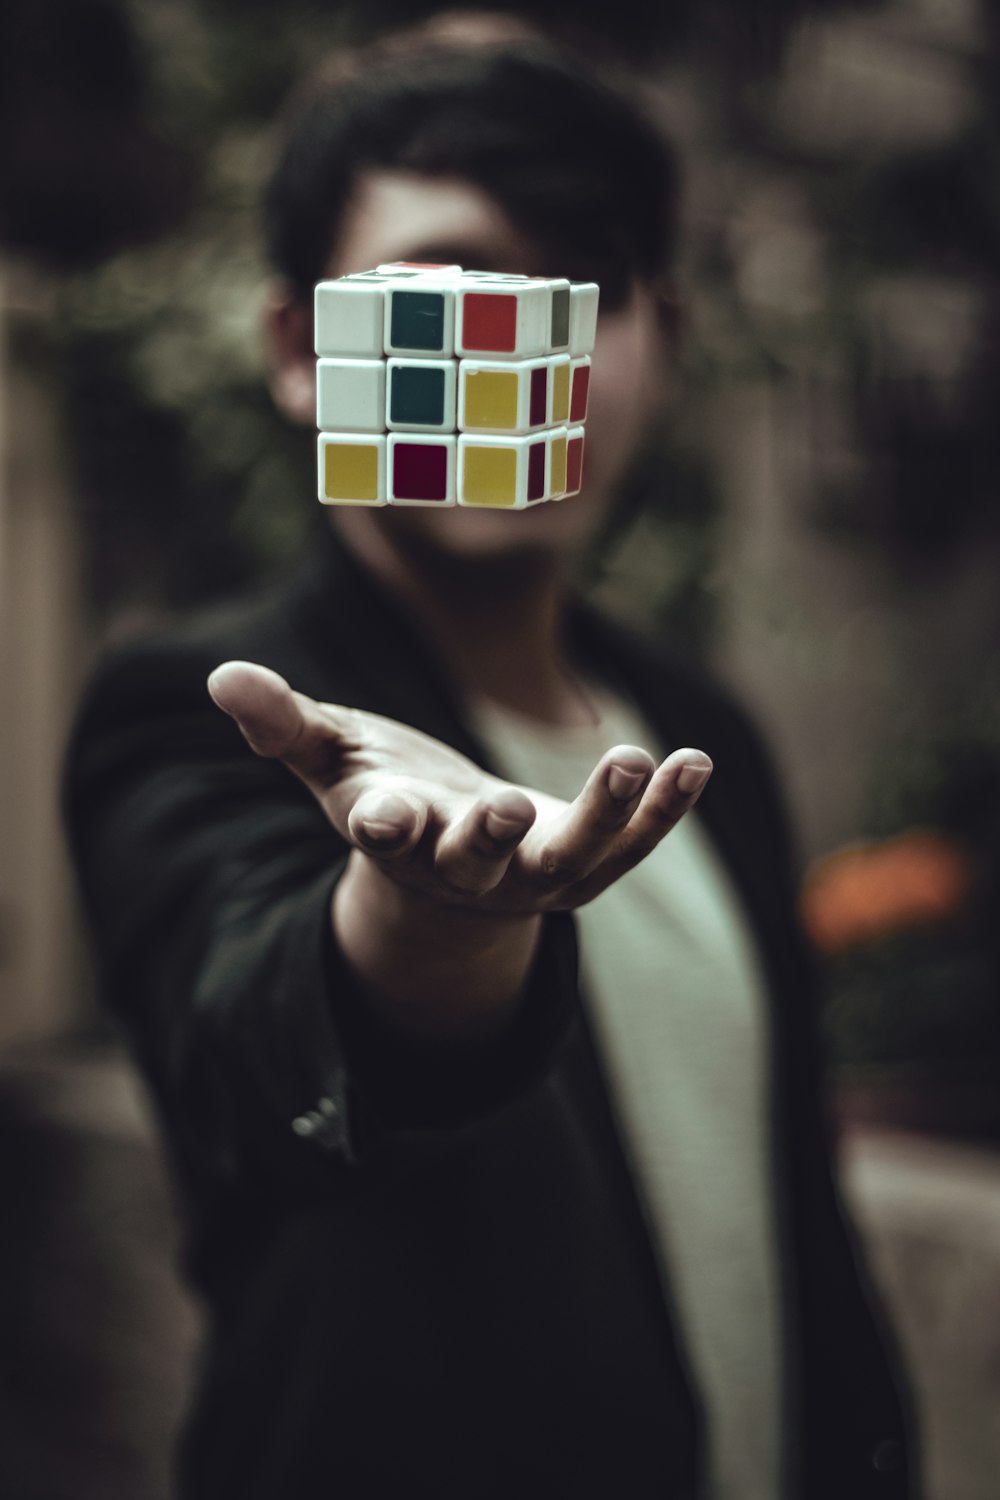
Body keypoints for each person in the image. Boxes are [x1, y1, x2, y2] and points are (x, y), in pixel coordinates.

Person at [64, 18, 918, 1499]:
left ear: (658, 334)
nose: (509, 340)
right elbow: (258, 1045)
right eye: (444, 281)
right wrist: (427, 921)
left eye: (575, 283)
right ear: (295, 350)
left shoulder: (704, 729)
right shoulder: (208, 713)